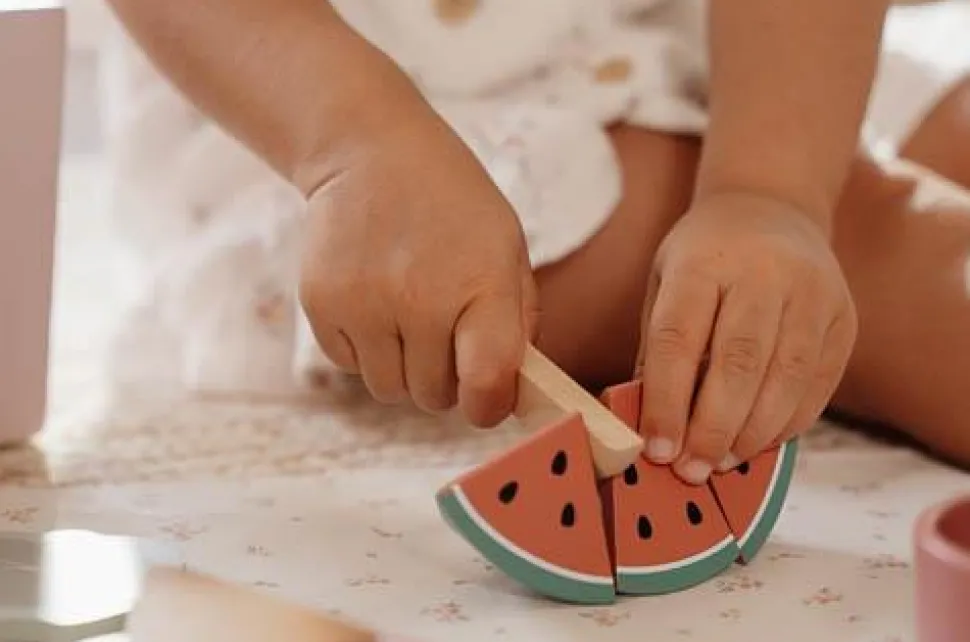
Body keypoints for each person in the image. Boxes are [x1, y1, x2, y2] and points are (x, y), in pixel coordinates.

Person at [101, 0, 970, 482]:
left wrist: (771, 188)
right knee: (875, 257)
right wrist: (353, 142)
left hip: (678, 31)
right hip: (322, 109)